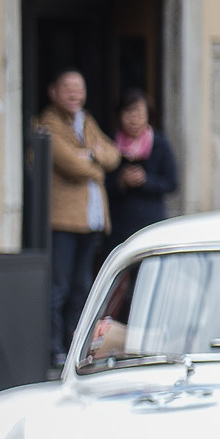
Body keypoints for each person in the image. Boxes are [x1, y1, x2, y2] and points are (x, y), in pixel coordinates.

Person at [36, 70, 121, 368]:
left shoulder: (86, 121)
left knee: (83, 287)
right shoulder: (48, 123)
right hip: (64, 220)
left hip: (91, 220)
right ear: (53, 92)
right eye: (68, 88)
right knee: (59, 287)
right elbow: (71, 164)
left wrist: (93, 155)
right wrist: (94, 161)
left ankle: (77, 345)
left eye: (79, 89)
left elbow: (113, 154)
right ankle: (54, 348)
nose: (74, 94)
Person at [105, 88, 177, 248]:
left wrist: (145, 180)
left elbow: (172, 183)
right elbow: (101, 182)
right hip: (119, 224)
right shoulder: (109, 144)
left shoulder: (159, 143)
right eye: (128, 113)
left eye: (139, 114)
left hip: (150, 223)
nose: (134, 119)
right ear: (119, 116)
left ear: (148, 116)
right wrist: (121, 181)